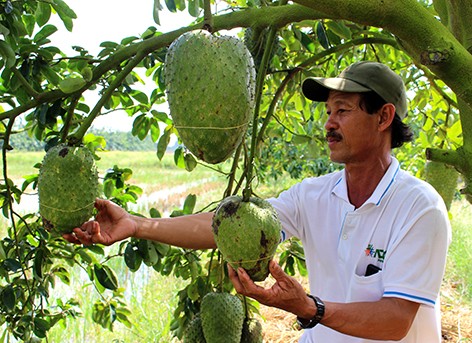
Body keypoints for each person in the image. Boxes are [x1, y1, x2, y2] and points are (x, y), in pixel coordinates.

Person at [65, 61, 451, 342]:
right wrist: (137, 224)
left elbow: (395, 320)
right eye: (328, 111)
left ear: (383, 117)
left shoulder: (420, 208)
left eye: (343, 111)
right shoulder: (314, 194)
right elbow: (227, 226)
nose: (329, 123)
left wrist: (308, 308)